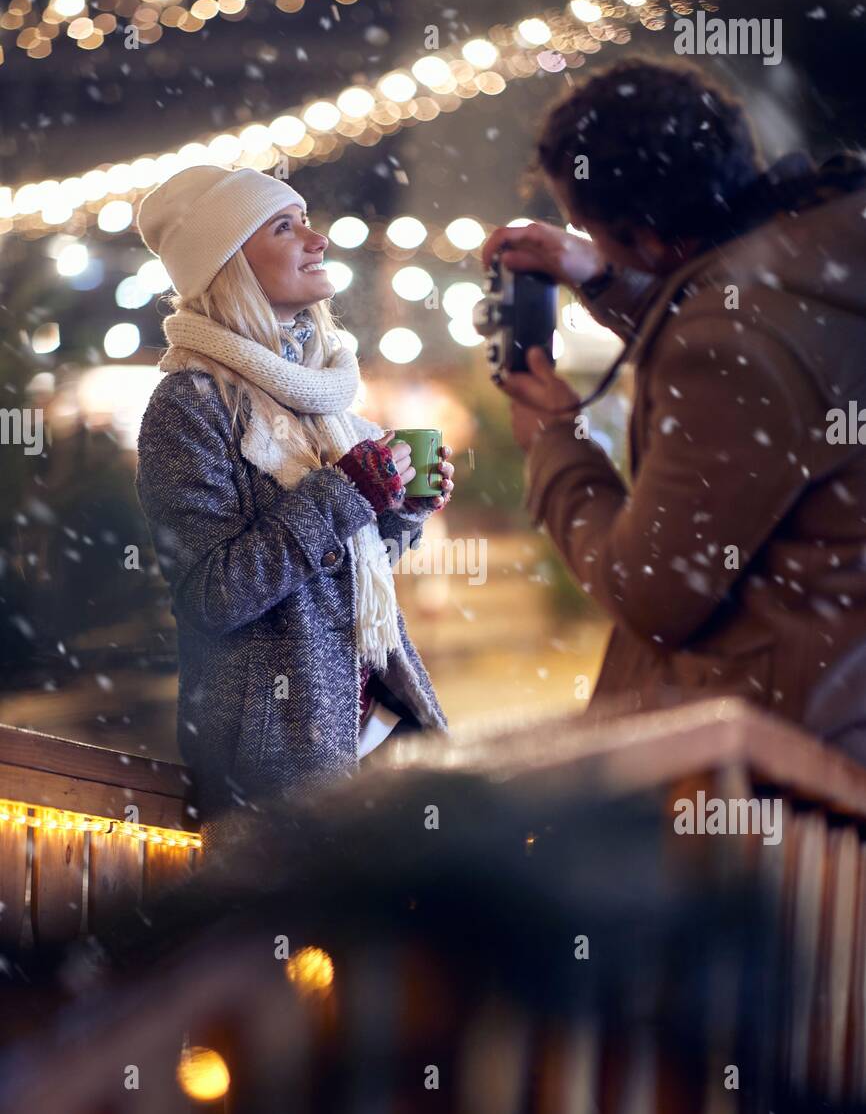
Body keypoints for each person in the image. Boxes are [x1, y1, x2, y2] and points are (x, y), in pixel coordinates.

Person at [482, 56, 866, 765]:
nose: (587, 241)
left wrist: (555, 442)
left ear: (651, 236)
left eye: (590, 226)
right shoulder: (823, 246)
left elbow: (652, 591)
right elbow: (772, 347)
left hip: (782, 757)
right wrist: (605, 276)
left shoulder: (735, 342)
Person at [134, 165, 454, 846]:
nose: (318, 240)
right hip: (282, 757)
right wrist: (345, 494)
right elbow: (211, 596)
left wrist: (398, 511)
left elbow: (344, 568)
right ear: (229, 265)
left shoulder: (317, 389)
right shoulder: (188, 406)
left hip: (378, 725)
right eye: (286, 226)